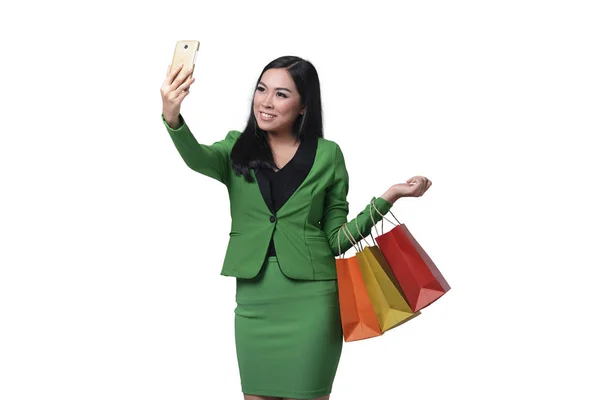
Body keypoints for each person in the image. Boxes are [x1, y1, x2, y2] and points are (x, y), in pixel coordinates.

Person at [160, 55, 432, 400]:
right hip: (255, 299)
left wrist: (389, 197)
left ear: (304, 106)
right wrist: (172, 116)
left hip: (313, 301)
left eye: (281, 94)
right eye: (262, 90)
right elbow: (196, 157)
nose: (266, 102)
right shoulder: (236, 148)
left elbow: (337, 240)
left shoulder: (328, 156)